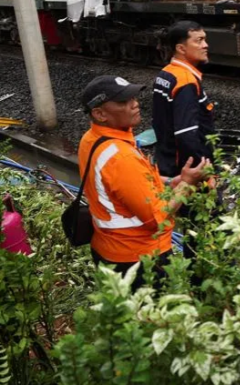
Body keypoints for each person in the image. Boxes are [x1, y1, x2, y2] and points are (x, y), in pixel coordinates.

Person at [78, 75, 210, 290]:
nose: (134, 104)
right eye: (123, 102)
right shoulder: (121, 157)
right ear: (100, 114)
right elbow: (157, 220)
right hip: (138, 259)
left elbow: (123, 183)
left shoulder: (92, 139)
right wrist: (186, 183)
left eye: (133, 97)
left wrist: (169, 181)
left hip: (109, 249)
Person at [152, 21, 215, 179]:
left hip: (166, 161)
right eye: (198, 40)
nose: (205, 45)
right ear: (181, 48)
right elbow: (186, 134)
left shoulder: (165, 74)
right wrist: (202, 174)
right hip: (184, 172)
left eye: (204, 39)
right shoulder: (186, 82)